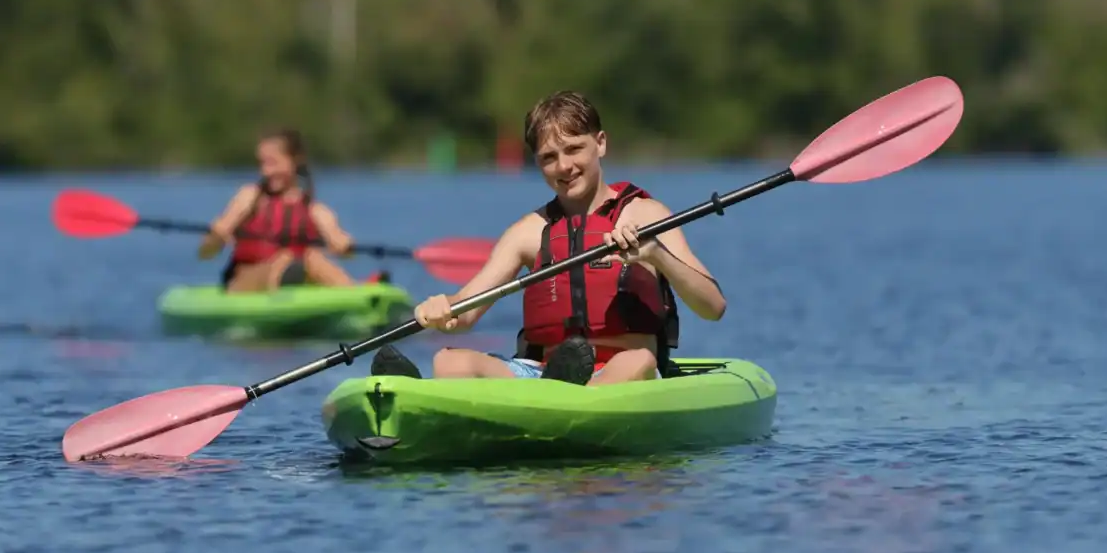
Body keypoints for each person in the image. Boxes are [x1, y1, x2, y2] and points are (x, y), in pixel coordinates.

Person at [368, 91, 726, 385]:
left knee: (636, 363)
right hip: (543, 375)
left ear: (600, 144)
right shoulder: (528, 232)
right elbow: (465, 311)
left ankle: (569, 398)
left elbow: (713, 307)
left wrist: (656, 255)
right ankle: (408, 397)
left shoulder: (646, 216)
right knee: (449, 363)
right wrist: (439, 310)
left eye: (574, 149)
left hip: (624, 372)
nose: (564, 167)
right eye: (549, 158)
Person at [198, 129, 384, 292]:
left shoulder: (316, 211)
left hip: (293, 279)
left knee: (313, 257)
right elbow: (205, 254)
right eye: (262, 164)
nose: (266, 172)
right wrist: (216, 236)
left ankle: (354, 293)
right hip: (244, 282)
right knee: (285, 259)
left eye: (273, 163)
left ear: (295, 161)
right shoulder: (249, 197)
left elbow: (342, 246)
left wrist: (344, 247)